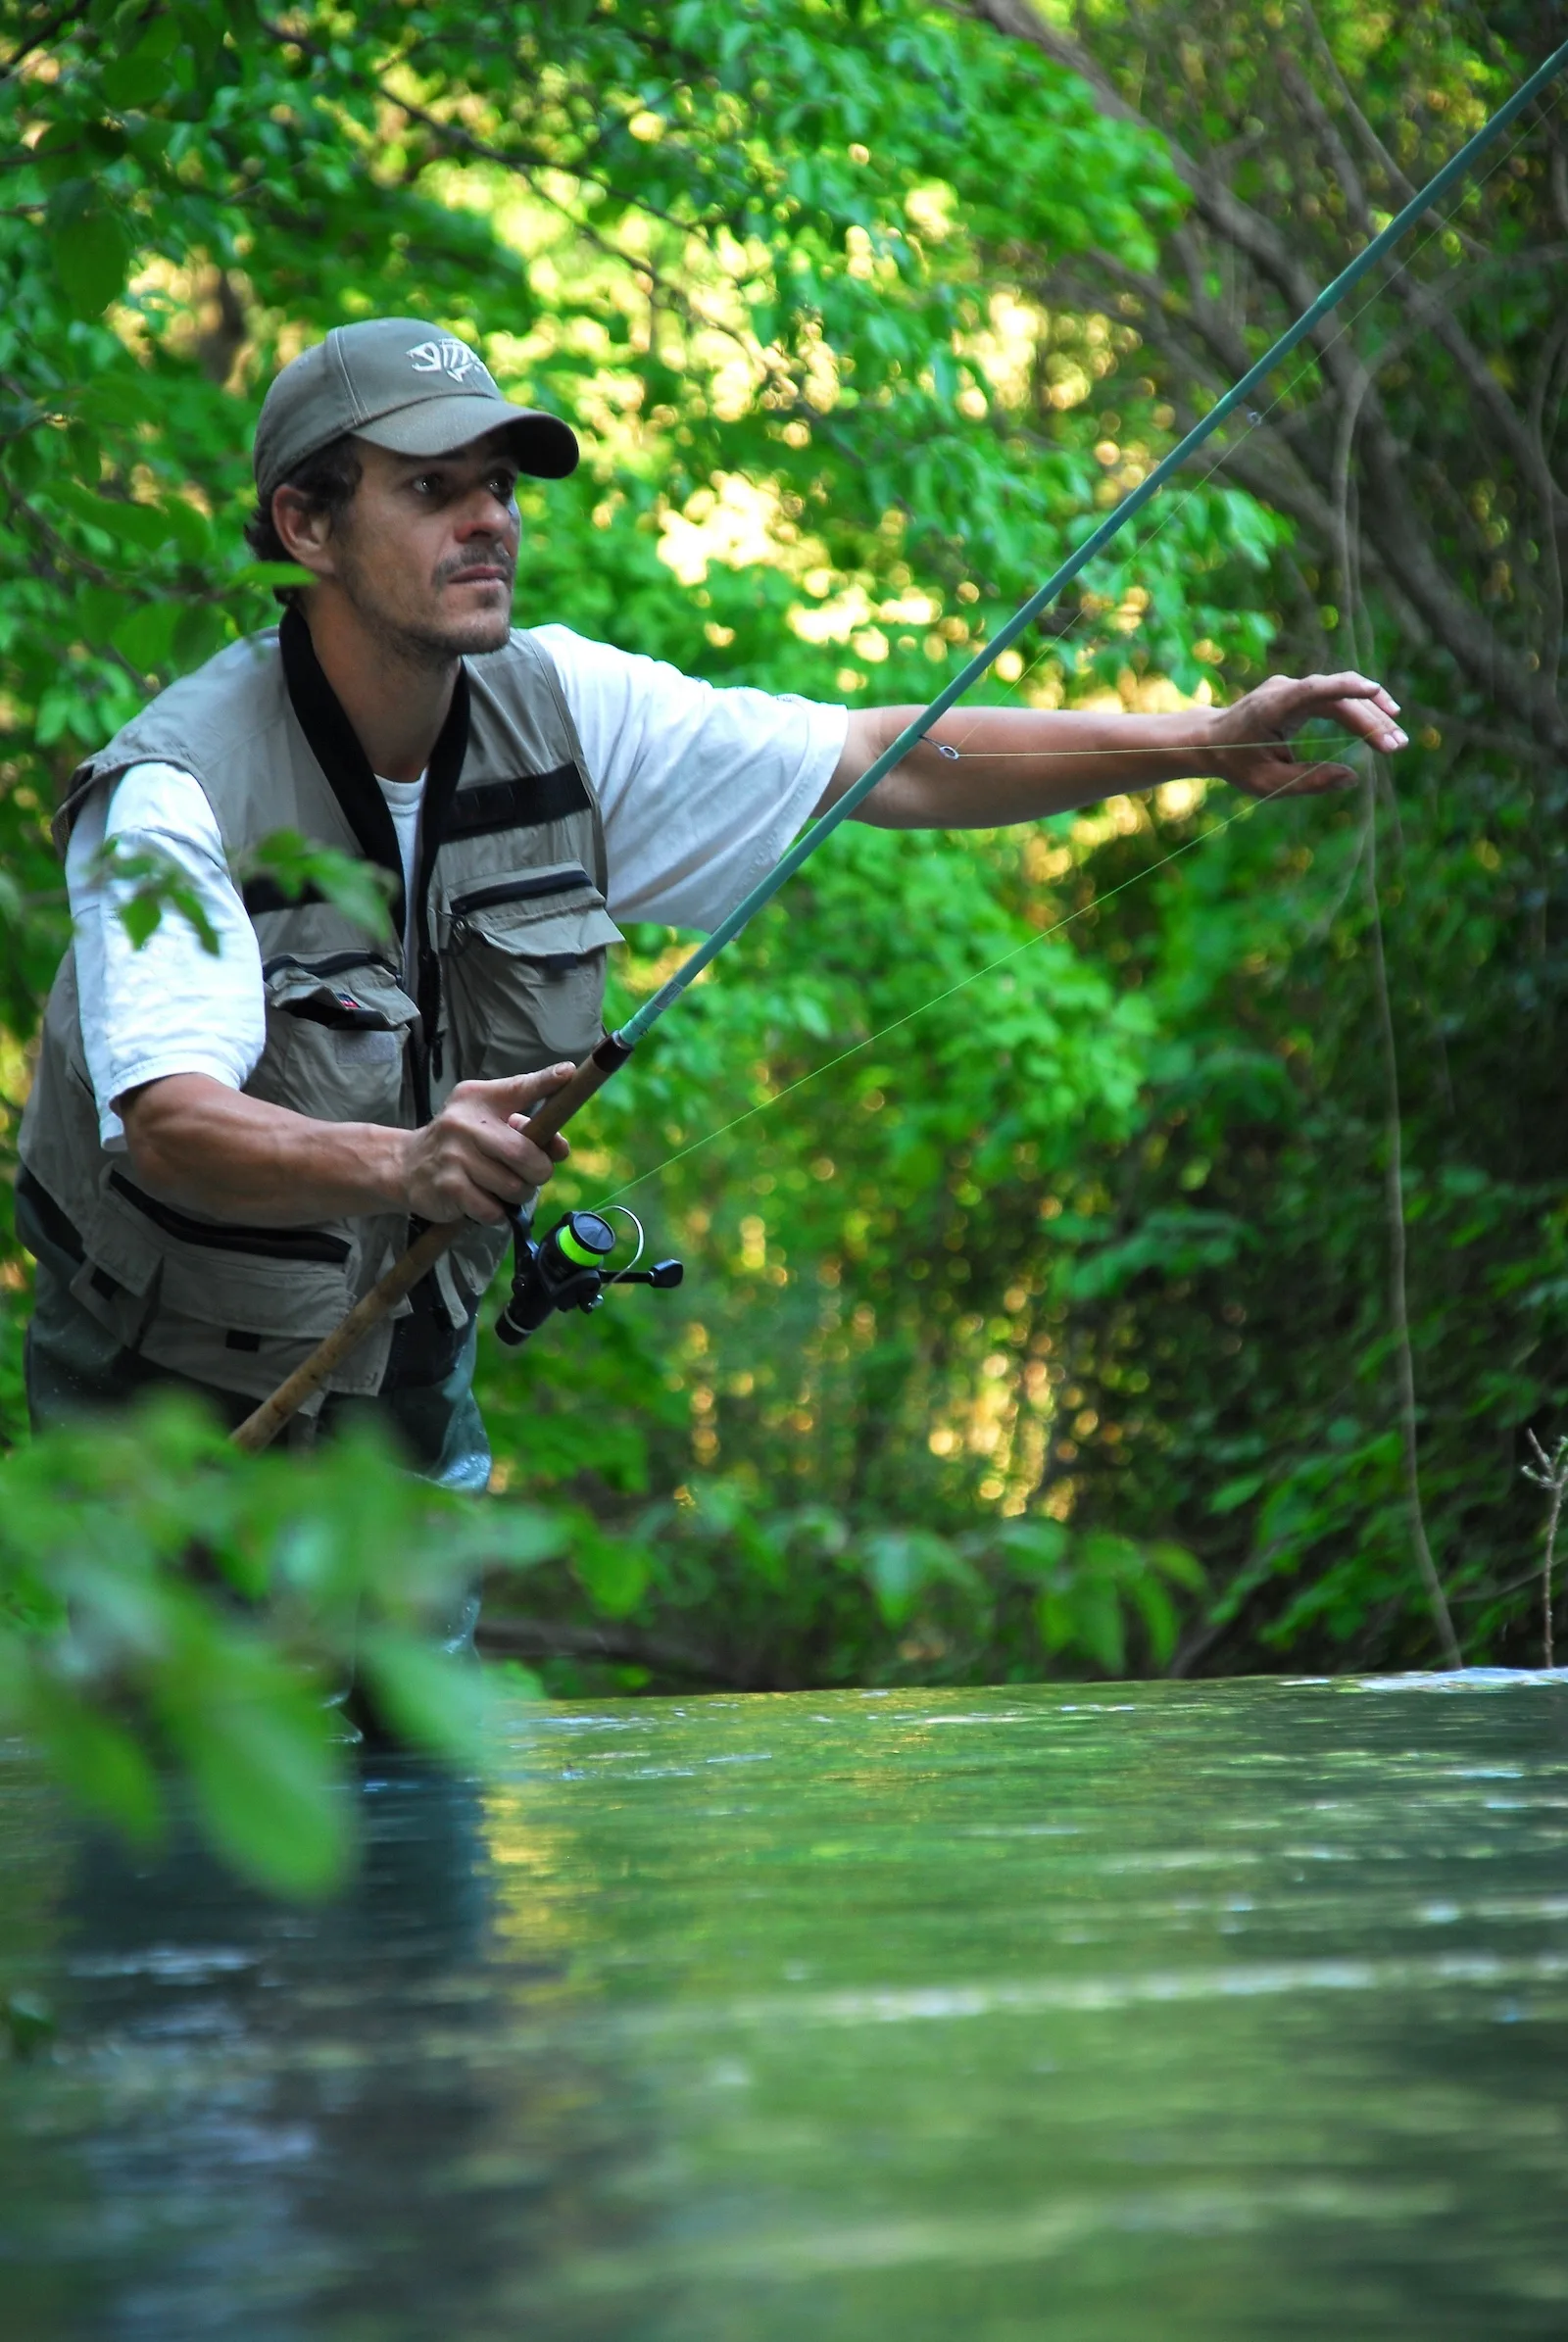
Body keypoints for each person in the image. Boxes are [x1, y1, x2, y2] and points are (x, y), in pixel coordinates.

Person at [17, 316, 1407, 1494]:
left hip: (408, 1371)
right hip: (162, 1400)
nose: (490, 519)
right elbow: (173, 1123)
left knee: (418, 1797)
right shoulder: (176, 794)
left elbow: (883, 761)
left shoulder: (569, 711)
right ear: (306, 524)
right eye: (435, 487)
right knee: (174, 1810)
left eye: (501, 486)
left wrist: (1200, 742)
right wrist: (404, 1165)